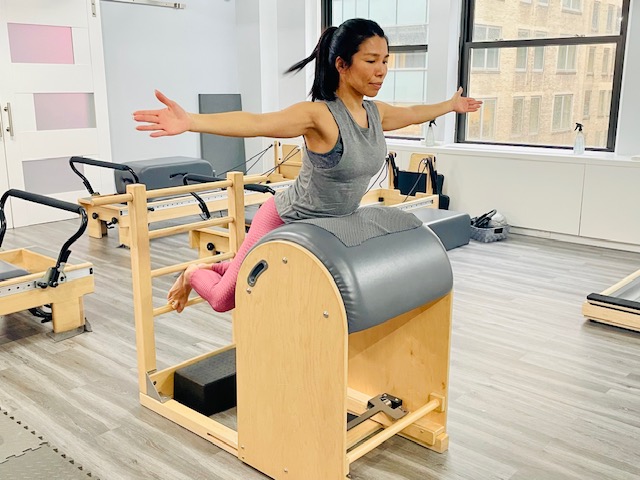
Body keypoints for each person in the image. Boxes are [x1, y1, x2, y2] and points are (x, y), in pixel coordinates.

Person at [133, 18, 481, 314]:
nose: (381, 71)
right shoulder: (319, 115)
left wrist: (450, 105)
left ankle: (231, 265)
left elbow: (414, 113)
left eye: (386, 61)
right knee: (226, 299)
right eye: (371, 60)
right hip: (286, 218)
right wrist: (191, 121)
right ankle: (194, 272)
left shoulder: (376, 113)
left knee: (276, 282)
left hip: (326, 228)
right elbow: (256, 122)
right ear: (342, 65)